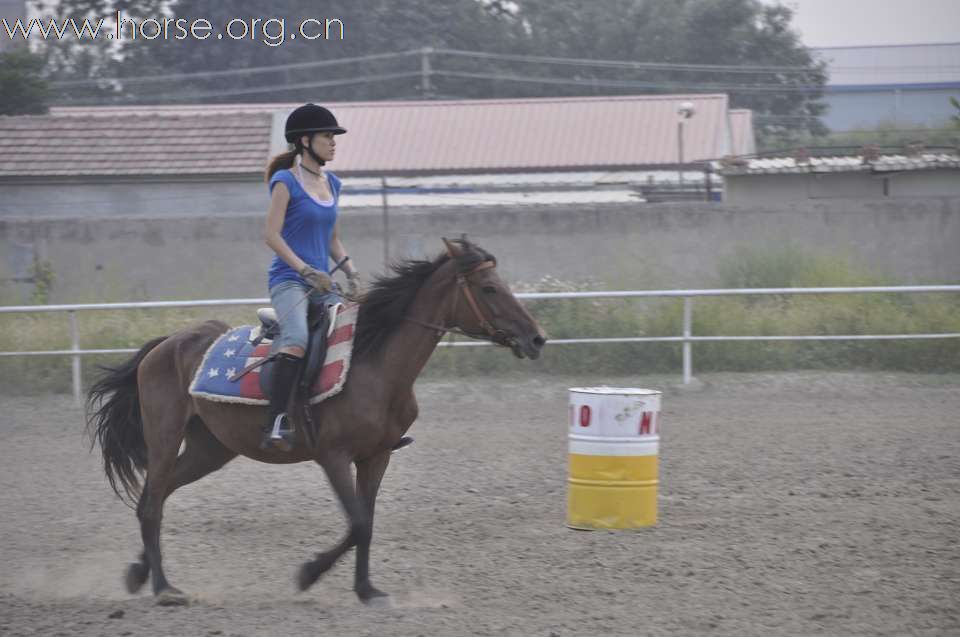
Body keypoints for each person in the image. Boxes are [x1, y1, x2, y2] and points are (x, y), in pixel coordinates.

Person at [261, 103, 360, 451]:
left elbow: (332, 238)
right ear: (305, 140)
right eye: (327, 136)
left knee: (357, 331)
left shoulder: (333, 182)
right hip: (290, 281)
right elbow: (271, 236)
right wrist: (304, 269)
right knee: (298, 337)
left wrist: (351, 272)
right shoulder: (285, 181)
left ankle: (365, 422)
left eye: (334, 137)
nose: (334, 143)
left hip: (324, 284)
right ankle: (276, 421)